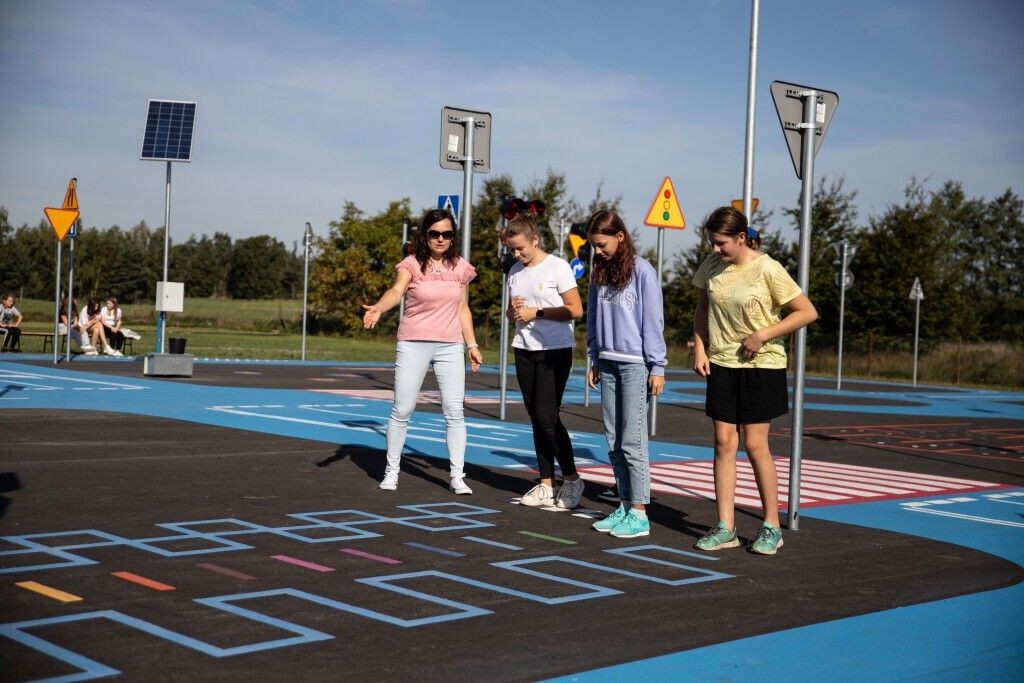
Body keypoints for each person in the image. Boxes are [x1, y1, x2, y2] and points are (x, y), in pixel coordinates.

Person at [691, 206, 818, 556]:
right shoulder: (711, 266)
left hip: (762, 365)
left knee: (755, 445)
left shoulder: (768, 269)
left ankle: (771, 527)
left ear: (741, 238)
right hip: (722, 363)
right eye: (712, 243)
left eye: (721, 243)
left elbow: (806, 312)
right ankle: (725, 527)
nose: (715, 249)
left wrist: (763, 334)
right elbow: (701, 309)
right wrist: (700, 349)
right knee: (722, 442)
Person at [362, 208, 484, 495]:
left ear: (453, 237)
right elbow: (396, 291)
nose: (441, 239)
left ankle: (457, 476)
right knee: (402, 409)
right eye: (435, 233)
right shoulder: (412, 264)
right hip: (413, 343)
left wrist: (472, 344)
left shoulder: (461, 268)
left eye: (447, 234)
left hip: (450, 345)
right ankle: (391, 472)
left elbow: (462, 309)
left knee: (454, 412)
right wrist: (379, 307)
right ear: (425, 234)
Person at [585, 210, 667, 539]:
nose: (598, 251)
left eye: (602, 245)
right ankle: (623, 503)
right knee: (613, 439)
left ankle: (640, 512)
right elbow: (592, 316)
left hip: (636, 364)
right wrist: (593, 355)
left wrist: (657, 365)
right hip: (607, 361)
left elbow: (653, 319)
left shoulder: (643, 270)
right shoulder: (599, 272)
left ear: (620, 237)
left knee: (633, 439)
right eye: (594, 246)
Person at [503, 215, 585, 509]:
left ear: (535, 240)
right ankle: (546, 482)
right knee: (535, 417)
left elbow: (576, 310)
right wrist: (514, 312)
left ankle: (573, 479)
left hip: (554, 349)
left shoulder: (558, 266)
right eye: (512, 250)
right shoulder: (514, 271)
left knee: (546, 417)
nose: (517, 255)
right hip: (523, 348)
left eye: (521, 248)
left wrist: (537, 312)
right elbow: (513, 315)